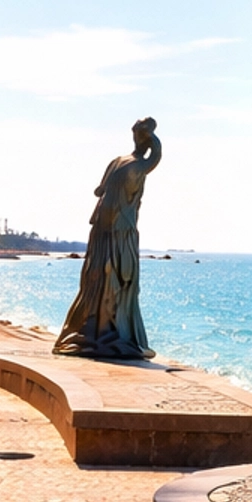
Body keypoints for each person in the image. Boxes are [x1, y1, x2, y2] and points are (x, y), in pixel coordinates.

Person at [54, 120, 162, 360]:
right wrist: (152, 139)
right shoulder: (129, 163)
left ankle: (108, 328)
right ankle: (102, 329)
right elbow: (102, 190)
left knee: (111, 276)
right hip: (112, 229)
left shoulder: (122, 163)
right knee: (104, 276)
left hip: (113, 227)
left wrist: (150, 138)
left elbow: (99, 191)